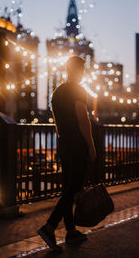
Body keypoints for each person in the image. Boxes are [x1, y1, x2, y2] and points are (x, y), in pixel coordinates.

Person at [37, 56, 96, 251]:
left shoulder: (57, 92)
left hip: (63, 143)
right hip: (77, 144)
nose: (84, 73)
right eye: (83, 70)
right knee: (74, 188)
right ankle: (49, 226)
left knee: (68, 188)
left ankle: (70, 232)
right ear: (79, 70)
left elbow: (56, 121)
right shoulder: (79, 91)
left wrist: (63, 141)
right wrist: (91, 145)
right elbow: (82, 119)